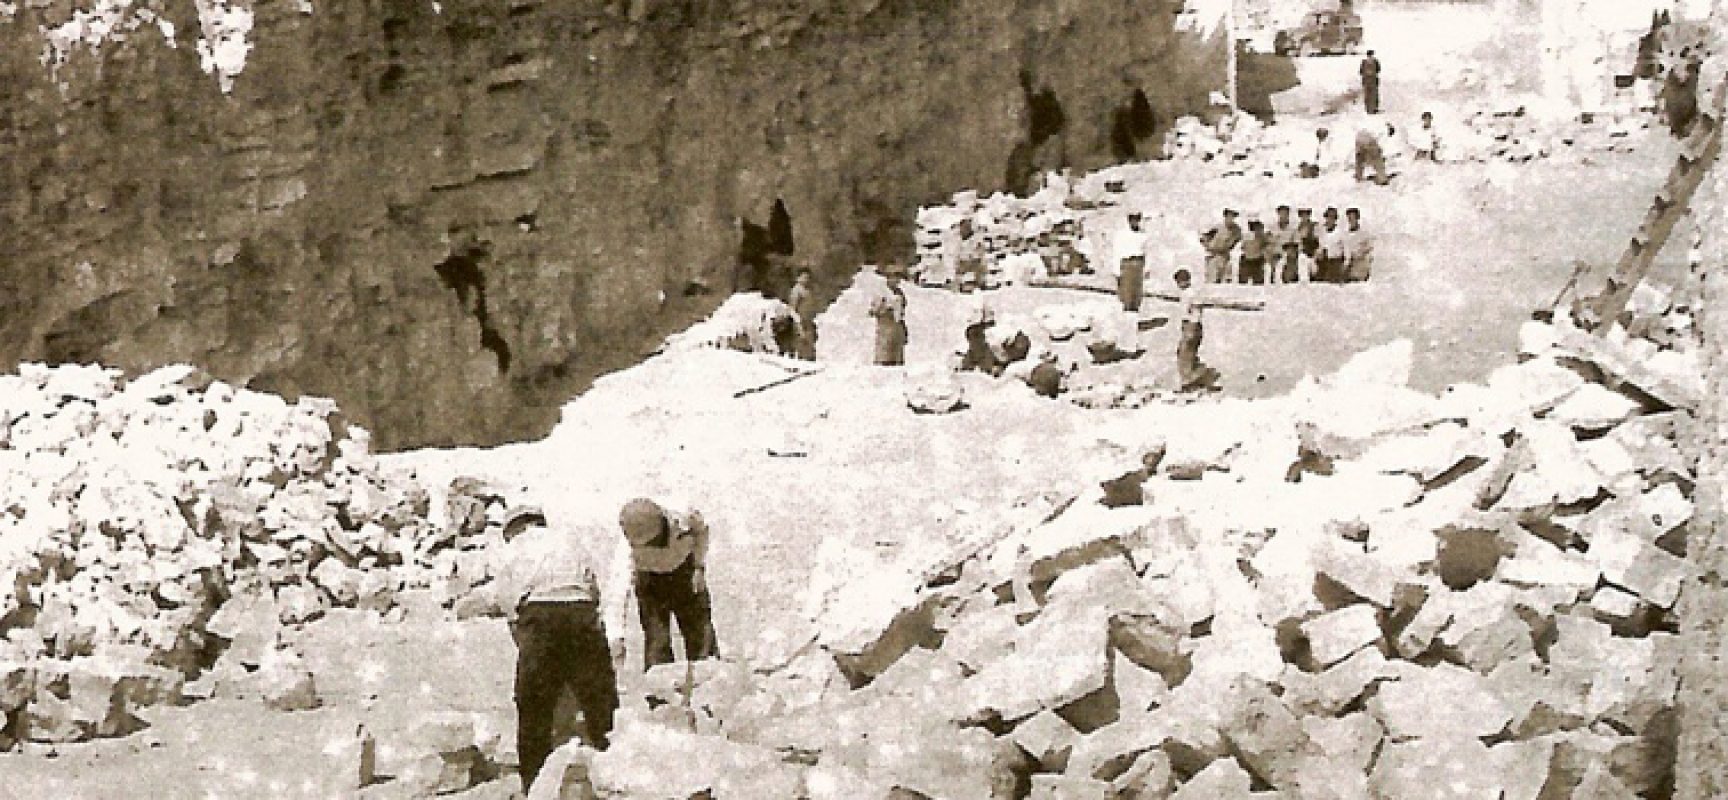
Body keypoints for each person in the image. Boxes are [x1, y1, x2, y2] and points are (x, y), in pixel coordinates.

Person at [494, 505, 629, 792]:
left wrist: (527, 642)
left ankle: (533, 784)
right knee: (599, 701)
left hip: (541, 616)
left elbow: (507, 601)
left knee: (533, 706)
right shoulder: (568, 539)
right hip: (581, 612)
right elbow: (593, 588)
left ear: (513, 528)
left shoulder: (514, 548)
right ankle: (612, 776)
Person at [618, 497, 719, 670]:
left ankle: (709, 687)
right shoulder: (626, 550)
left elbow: (702, 531)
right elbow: (619, 590)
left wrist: (698, 567)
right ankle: (661, 692)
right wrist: (618, 634)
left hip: (685, 575)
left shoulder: (684, 515)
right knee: (657, 642)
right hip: (650, 584)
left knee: (701, 637)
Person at [1148, 269, 1265, 391]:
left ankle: (1192, 378)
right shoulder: (1187, 293)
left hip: (1192, 325)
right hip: (1190, 325)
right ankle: (1193, 376)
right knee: (1185, 353)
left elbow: (1195, 310)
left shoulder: (1191, 294)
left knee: (1185, 353)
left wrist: (1189, 328)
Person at [870, 265, 909, 366]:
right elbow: (873, 311)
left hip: (896, 329)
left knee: (897, 360)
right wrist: (885, 307)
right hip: (885, 328)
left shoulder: (900, 293)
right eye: (892, 277)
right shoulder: (881, 292)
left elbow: (902, 311)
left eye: (898, 278)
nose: (896, 280)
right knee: (884, 359)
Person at [1116, 211, 1152, 311]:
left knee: (1137, 292)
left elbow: (1147, 252)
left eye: (1137, 219)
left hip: (1139, 263)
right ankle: (1127, 313)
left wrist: (1147, 268)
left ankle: (1135, 312)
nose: (1135, 222)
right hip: (1127, 263)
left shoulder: (1143, 235)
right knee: (1127, 292)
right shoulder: (1122, 234)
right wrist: (1116, 270)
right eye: (1132, 219)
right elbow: (1117, 251)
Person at [1200, 209, 1243, 284]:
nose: (1231, 218)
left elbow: (1233, 243)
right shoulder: (1217, 227)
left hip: (1225, 257)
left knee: (1224, 282)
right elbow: (1203, 238)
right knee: (1211, 281)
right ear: (1225, 216)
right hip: (1213, 257)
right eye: (1229, 216)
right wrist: (1208, 247)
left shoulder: (1236, 230)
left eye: (1233, 216)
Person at [787, 268, 819, 360]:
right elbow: (792, 308)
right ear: (798, 278)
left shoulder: (808, 290)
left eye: (807, 277)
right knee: (800, 343)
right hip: (800, 321)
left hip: (809, 321)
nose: (806, 279)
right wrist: (798, 322)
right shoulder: (796, 290)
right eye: (804, 277)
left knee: (809, 344)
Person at [1343, 208, 1374, 282]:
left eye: (1353, 218)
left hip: (1361, 265)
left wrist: (1361, 253)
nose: (1351, 221)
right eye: (1349, 218)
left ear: (1357, 218)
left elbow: (1370, 249)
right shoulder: (1345, 234)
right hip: (1348, 267)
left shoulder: (1365, 234)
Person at [1317, 208, 1346, 282]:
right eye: (1328, 217)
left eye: (1332, 218)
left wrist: (1345, 263)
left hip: (1336, 261)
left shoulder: (1340, 232)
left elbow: (1346, 249)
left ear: (1335, 219)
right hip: (1324, 261)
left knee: (1331, 280)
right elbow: (1321, 246)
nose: (1329, 220)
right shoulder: (1322, 232)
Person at [1239, 219, 1269, 285]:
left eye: (1259, 228)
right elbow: (1242, 248)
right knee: (1242, 284)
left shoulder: (1264, 238)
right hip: (1247, 261)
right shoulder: (1246, 238)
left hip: (1258, 262)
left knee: (1258, 284)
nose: (1256, 230)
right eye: (1254, 228)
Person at [1295, 208, 1318, 284]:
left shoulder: (1314, 226)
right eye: (1302, 215)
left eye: (1306, 214)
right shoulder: (1298, 228)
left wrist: (1315, 255)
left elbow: (1318, 242)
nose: (1304, 217)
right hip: (1303, 255)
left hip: (1314, 255)